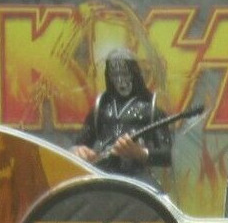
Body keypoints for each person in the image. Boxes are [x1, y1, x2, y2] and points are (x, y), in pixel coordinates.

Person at [72, 48, 172, 186]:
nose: (120, 80)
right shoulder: (101, 108)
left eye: (125, 73)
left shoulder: (150, 109)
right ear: (109, 77)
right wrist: (81, 152)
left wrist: (139, 153)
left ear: (134, 73)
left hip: (137, 180)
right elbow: (79, 144)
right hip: (104, 177)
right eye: (115, 75)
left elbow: (167, 155)